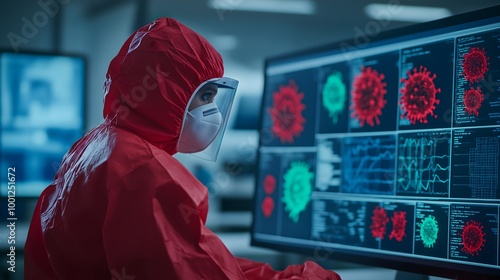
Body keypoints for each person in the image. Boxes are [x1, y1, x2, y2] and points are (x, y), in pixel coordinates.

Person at [24, 18, 341, 280]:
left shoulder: (97, 145)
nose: (213, 111)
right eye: (206, 96)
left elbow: (203, 262)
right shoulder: (145, 172)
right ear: (166, 94)